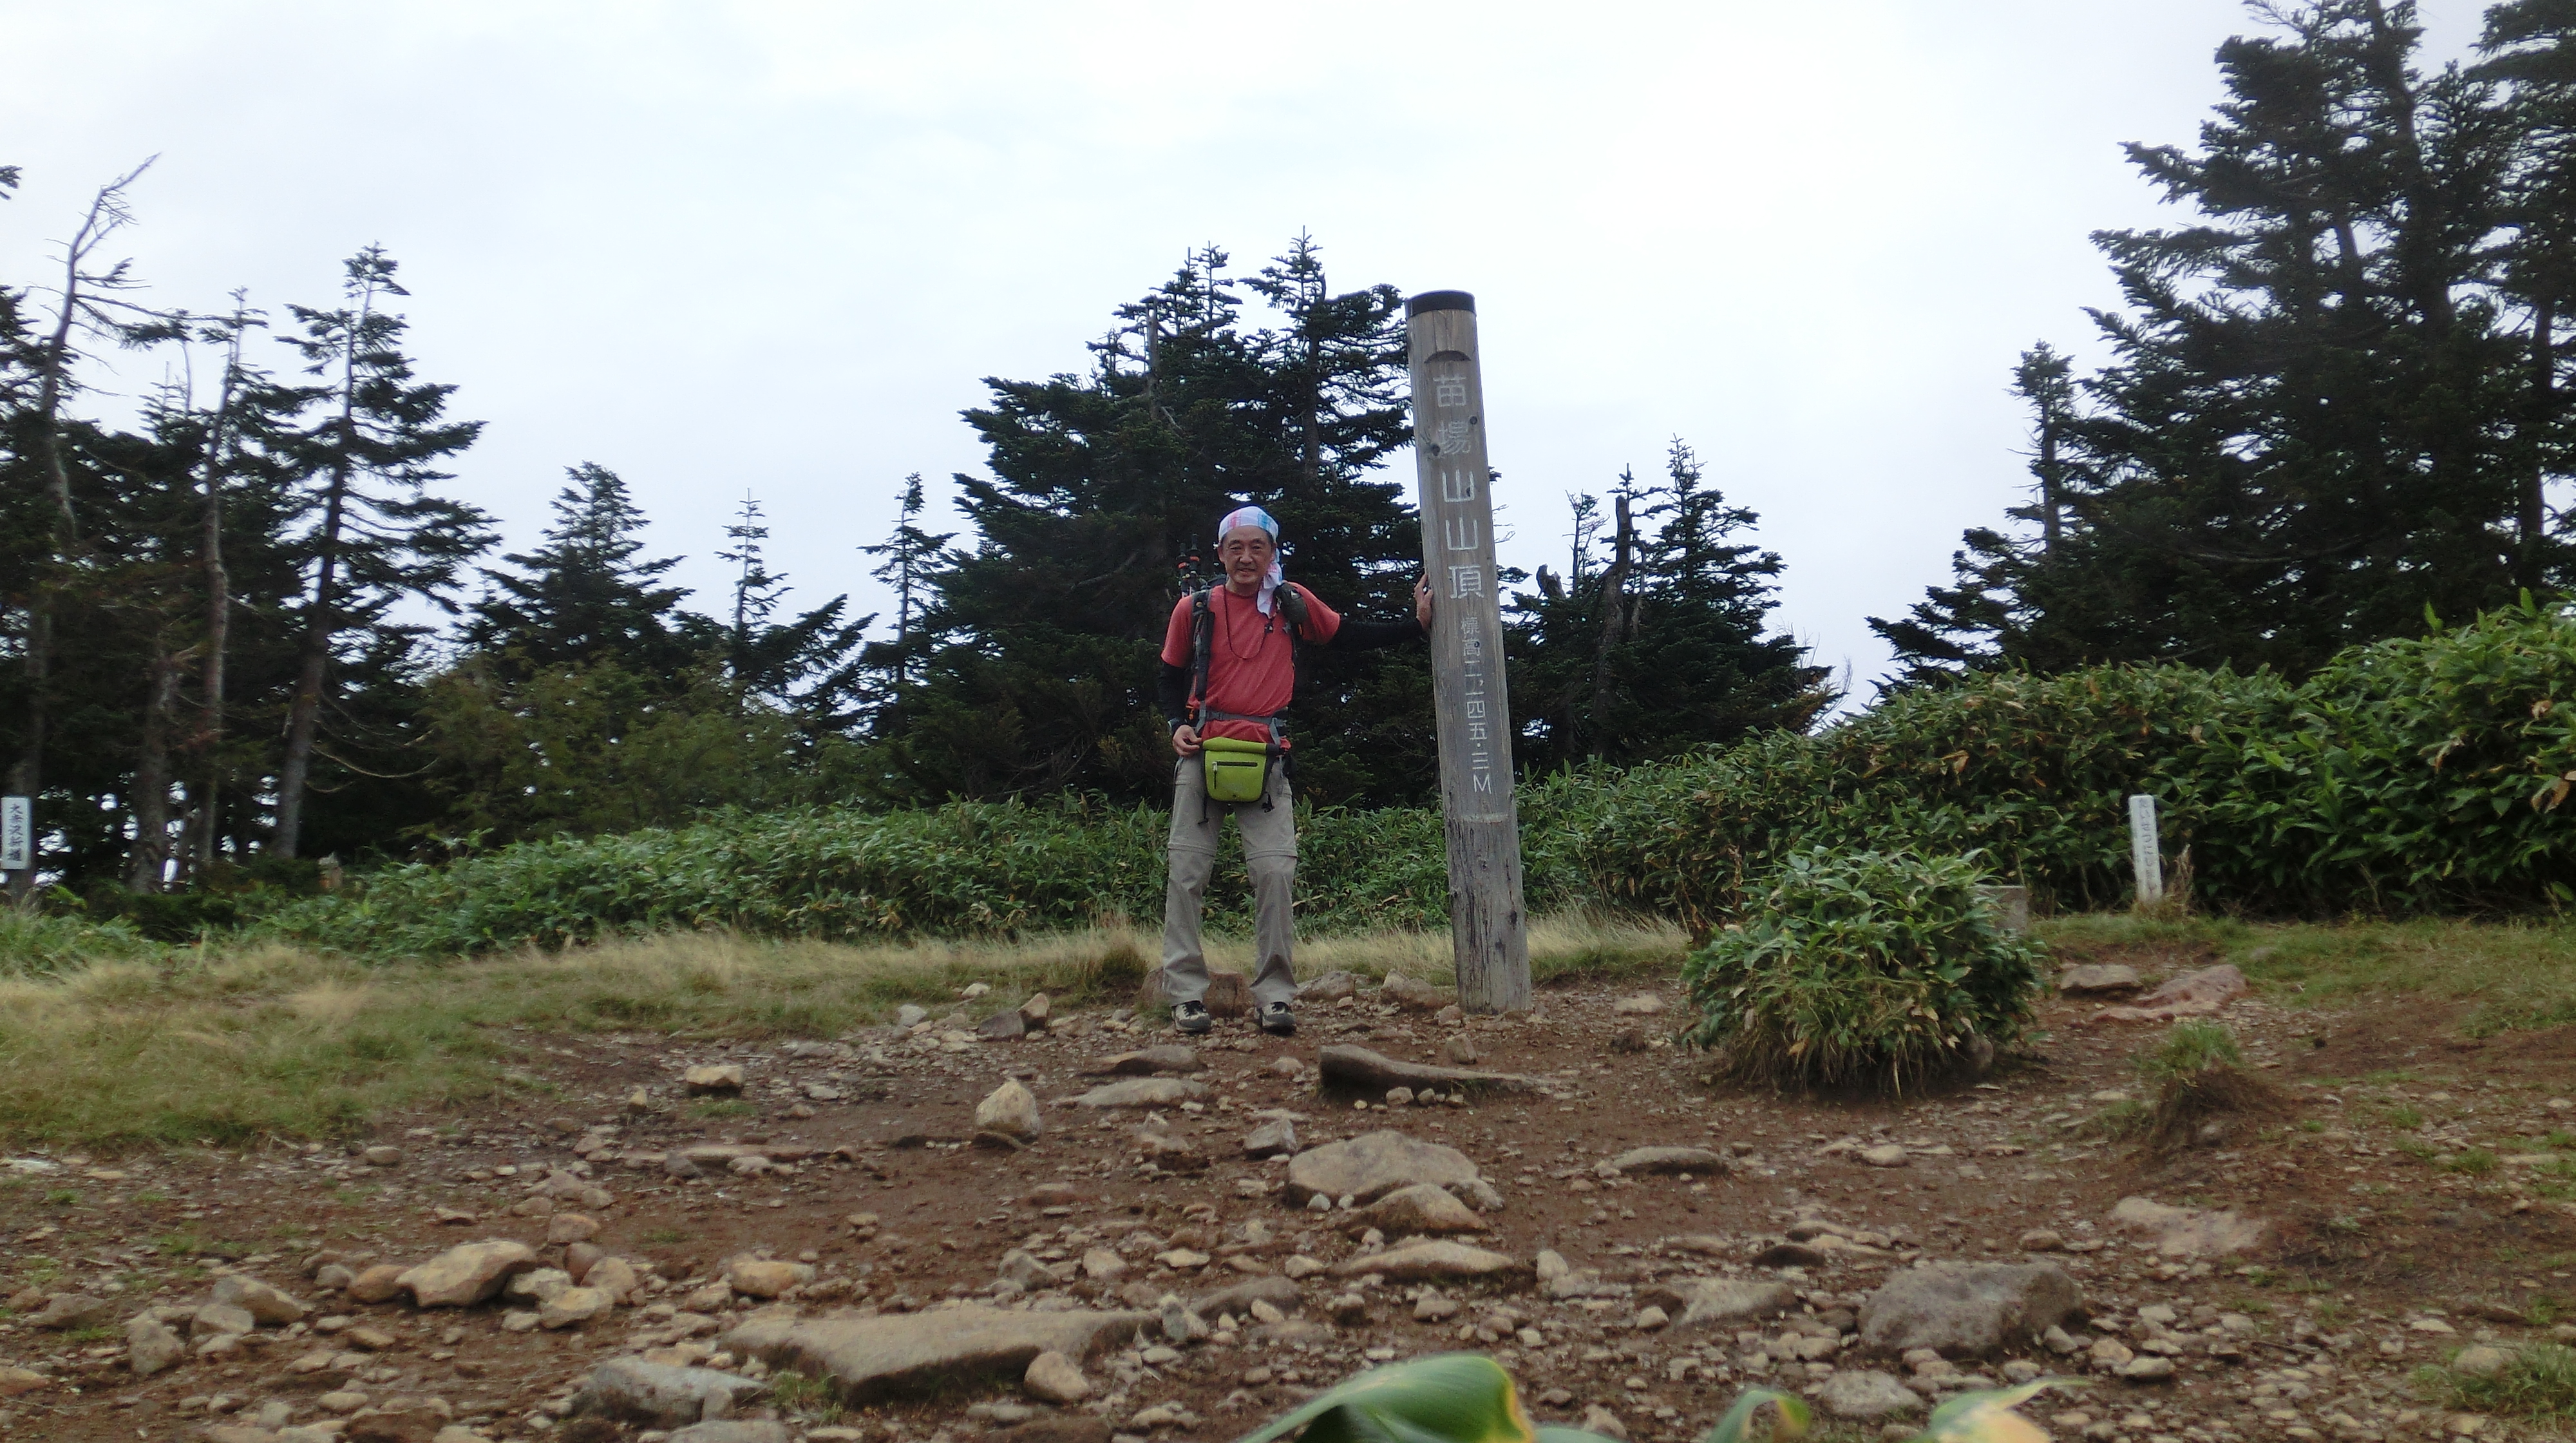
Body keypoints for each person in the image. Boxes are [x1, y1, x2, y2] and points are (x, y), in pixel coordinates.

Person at [1155, 506, 1433, 1036]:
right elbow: (1168, 675)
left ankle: (1276, 996)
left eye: (1256, 547)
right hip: (1202, 754)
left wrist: (1415, 627)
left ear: (1272, 554)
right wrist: (1175, 725)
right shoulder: (1195, 608)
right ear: (1220, 554)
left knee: (1275, 875)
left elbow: (1347, 635)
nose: (1246, 557)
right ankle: (1186, 995)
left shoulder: (1291, 604)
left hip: (1267, 758)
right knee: (1187, 874)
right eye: (1235, 547)